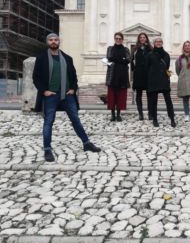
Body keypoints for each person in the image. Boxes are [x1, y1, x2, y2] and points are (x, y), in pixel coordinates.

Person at [33, 33, 101, 162]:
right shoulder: (41, 58)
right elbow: (36, 77)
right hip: (50, 95)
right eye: (51, 40)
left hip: (67, 95)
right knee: (48, 122)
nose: (53, 42)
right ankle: (47, 149)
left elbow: (73, 76)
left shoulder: (67, 58)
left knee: (76, 120)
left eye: (56, 40)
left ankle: (86, 143)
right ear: (47, 42)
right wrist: (44, 91)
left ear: (59, 42)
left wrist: (73, 89)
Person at [146, 37, 176, 128]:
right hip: (153, 80)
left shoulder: (166, 55)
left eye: (160, 41)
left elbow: (166, 67)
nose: (158, 43)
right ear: (154, 43)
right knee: (153, 101)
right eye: (156, 42)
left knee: (168, 101)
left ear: (162, 43)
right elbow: (147, 68)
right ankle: (155, 119)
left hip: (163, 80)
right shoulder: (149, 54)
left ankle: (172, 118)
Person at [105, 32, 130, 122]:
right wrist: (121, 59)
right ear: (114, 39)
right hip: (112, 75)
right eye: (116, 38)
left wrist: (116, 59)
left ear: (122, 40)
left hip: (122, 76)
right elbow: (109, 58)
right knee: (112, 97)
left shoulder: (126, 49)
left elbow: (128, 60)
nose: (118, 40)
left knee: (120, 96)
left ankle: (118, 114)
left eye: (120, 38)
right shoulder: (110, 48)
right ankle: (112, 115)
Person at [132, 32, 152, 120]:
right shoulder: (135, 49)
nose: (142, 39)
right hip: (138, 74)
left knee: (149, 95)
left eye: (144, 37)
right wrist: (134, 70)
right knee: (138, 95)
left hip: (148, 75)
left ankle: (150, 113)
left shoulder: (150, 49)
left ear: (146, 39)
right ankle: (140, 114)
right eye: (141, 37)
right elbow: (132, 61)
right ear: (139, 39)